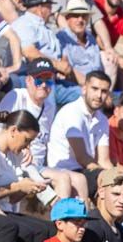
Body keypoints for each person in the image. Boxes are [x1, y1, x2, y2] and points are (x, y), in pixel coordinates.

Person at [46, 71, 112, 201]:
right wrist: (109, 177)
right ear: (84, 89)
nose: (99, 95)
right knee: (110, 184)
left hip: (85, 170)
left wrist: (117, 176)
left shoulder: (102, 119)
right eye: (95, 89)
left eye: (104, 91)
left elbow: (104, 160)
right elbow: (82, 158)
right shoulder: (72, 112)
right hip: (64, 170)